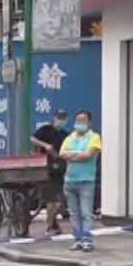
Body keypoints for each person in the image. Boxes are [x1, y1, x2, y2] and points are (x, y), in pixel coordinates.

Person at [59, 110, 103, 252]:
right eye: (77, 120)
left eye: (83, 120)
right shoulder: (70, 137)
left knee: (86, 213)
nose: (79, 123)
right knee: (74, 214)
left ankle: (87, 240)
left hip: (86, 181)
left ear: (89, 123)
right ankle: (77, 239)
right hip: (70, 181)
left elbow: (88, 155)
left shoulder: (94, 137)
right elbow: (62, 153)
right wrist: (79, 154)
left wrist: (72, 155)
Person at [33, 108, 69, 236]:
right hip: (46, 168)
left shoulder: (66, 135)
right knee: (50, 200)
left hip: (60, 168)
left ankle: (53, 223)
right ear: (53, 118)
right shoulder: (45, 130)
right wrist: (45, 145)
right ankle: (50, 226)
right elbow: (32, 139)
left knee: (60, 201)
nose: (61, 120)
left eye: (63, 118)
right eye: (59, 117)